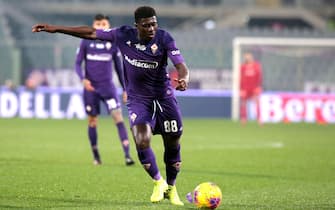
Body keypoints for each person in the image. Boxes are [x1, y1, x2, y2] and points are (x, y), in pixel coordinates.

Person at [32, 6, 189, 206]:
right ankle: (158, 182)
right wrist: (54, 28)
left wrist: (184, 78)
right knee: (142, 140)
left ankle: (172, 187)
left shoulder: (164, 38)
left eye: (154, 24)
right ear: (137, 26)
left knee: (173, 142)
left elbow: (180, 64)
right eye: (146, 25)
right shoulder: (123, 35)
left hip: (164, 98)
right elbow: (90, 32)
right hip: (139, 99)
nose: (151, 29)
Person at [75, 14, 134, 166]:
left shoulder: (113, 43)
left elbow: (119, 69)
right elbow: (77, 64)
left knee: (118, 118)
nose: (101, 26)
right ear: (94, 25)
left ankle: (127, 155)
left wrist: (125, 89)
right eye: (98, 23)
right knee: (92, 120)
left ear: (108, 26)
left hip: (108, 88)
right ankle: (96, 157)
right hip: (91, 89)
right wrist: (83, 79)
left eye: (103, 24)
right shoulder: (86, 41)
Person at [239, 52, 262, 123]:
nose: (247, 58)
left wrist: (258, 87)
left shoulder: (256, 66)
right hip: (245, 88)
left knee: (257, 102)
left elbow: (259, 77)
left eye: (248, 56)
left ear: (251, 57)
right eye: (246, 57)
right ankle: (243, 119)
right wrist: (241, 89)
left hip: (254, 88)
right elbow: (241, 78)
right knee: (243, 102)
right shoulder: (242, 67)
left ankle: (259, 118)